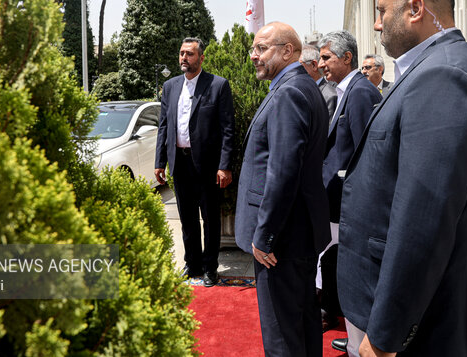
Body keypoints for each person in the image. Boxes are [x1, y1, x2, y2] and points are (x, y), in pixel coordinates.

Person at [337, 0, 467, 357]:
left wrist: (383, 336)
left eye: (382, 12)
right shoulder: (438, 66)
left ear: (415, 9)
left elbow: (423, 219)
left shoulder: (442, 75)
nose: (376, 25)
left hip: (429, 320)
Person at [235, 22, 330, 356]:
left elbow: (283, 171)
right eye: (253, 49)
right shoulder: (299, 86)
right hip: (296, 234)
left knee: (282, 336)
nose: (253, 56)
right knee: (300, 324)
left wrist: (265, 236)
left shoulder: (290, 91)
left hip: (282, 240)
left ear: (288, 50)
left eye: (262, 48)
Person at [316, 31, 382, 354]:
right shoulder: (345, 90)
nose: (320, 63)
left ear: (347, 59)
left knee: (354, 274)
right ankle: (353, 337)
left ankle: (359, 346)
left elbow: (365, 155)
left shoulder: (358, 93)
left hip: (348, 206)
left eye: (327, 58)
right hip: (335, 202)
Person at [155, 37, 235, 287]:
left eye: (189, 54)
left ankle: (210, 267)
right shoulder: (169, 87)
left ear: (201, 58)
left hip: (208, 166)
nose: (183, 58)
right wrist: (160, 161)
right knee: (187, 219)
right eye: (181, 53)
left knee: (210, 219)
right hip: (179, 163)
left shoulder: (218, 86)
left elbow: (228, 129)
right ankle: (192, 264)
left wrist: (224, 165)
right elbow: (164, 126)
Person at [300, 44, 338, 121]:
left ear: (314, 65)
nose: (295, 71)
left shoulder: (329, 96)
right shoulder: (304, 93)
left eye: (299, 66)